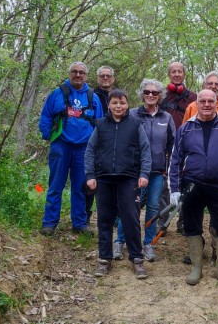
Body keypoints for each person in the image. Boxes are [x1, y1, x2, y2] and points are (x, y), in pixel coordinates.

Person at [168, 89, 218, 289]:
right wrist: (174, 188)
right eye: (203, 101)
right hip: (191, 184)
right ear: (197, 103)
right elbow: (175, 160)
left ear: (216, 102)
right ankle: (196, 267)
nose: (207, 104)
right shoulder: (186, 128)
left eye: (211, 101)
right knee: (192, 225)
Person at [84, 89, 151, 278]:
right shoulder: (100, 125)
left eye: (122, 102)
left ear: (127, 104)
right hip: (104, 179)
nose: (118, 106)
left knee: (130, 219)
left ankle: (137, 260)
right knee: (104, 220)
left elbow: (145, 151)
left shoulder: (136, 125)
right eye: (114, 103)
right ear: (109, 105)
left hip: (129, 179)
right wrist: (90, 175)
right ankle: (104, 260)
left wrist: (144, 173)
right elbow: (90, 151)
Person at [38, 61, 104, 236]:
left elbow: (100, 124)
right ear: (69, 74)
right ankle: (49, 223)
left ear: (86, 75)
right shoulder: (57, 94)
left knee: (80, 187)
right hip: (61, 146)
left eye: (82, 72)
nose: (78, 75)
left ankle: (79, 223)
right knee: (55, 185)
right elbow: (45, 116)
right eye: (74, 72)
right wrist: (48, 136)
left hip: (83, 149)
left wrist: (97, 148)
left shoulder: (93, 97)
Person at [113, 79, 175, 262]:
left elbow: (173, 145)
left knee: (154, 207)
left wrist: (169, 168)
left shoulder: (166, 118)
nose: (150, 95)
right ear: (142, 94)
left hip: (157, 171)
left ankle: (148, 244)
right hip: (134, 171)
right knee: (130, 207)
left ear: (160, 96)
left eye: (155, 93)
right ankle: (120, 241)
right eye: (147, 92)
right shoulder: (131, 115)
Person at [160, 61, 198, 234]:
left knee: (186, 183)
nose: (176, 74)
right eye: (173, 72)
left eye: (179, 71)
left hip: (187, 146)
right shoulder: (161, 96)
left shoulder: (193, 97)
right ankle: (163, 221)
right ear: (169, 74)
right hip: (165, 146)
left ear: (184, 75)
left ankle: (183, 222)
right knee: (165, 185)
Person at [84, 66, 118, 224]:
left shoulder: (118, 96)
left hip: (115, 142)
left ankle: (114, 216)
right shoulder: (91, 95)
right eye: (102, 76)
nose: (105, 78)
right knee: (91, 181)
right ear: (97, 78)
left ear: (113, 78)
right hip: (95, 140)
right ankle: (85, 215)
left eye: (108, 76)